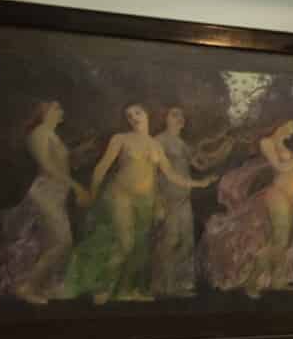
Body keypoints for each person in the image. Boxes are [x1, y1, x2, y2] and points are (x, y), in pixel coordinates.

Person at [64, 104, 216, 304]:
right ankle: (103, 287)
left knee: (140, 248)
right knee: (125, 244)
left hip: (146, 200)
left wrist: (199, 183)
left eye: (137, 112)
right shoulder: (121, 139)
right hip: (120, 195)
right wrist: (91, 193)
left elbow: (171, 175)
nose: (133, 117)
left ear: (147, 115)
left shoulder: (156, 145)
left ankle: (126, 290)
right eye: (129, 115)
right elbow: (101, 167)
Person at [199, 119, 293, 298]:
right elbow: (279, 166)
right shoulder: (266, 143)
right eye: (290, 126)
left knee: (284, 240)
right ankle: (252, 281)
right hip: (277, 195)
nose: (292, 130)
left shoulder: (287, 148)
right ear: (279, 125)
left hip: (290, 198)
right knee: (279, 239)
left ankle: (276, 279)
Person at [0, 100, 91, 304]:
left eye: (61, 107)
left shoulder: (53, 136)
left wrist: (80, 152)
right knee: (62, 241)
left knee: (52, 242)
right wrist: (77, 187)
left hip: (57, 196)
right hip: (44, 194)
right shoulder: (39, 134)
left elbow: (63, 164)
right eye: (56, 108)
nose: (61, 111)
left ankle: (41, 286)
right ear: (44, 111)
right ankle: (26, 286)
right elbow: (48, 168)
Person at [150, 106, 234, 298]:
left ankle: (181, 283)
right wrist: (158, 201)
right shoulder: (158, 141)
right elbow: (154, 174)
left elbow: (201, 162)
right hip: (166, 197)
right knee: (169, 240)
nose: (179, 118)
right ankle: (163, 284)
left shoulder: (182, 144)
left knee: (186, 240)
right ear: (165, 118)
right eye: (174, 114)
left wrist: (224, 148)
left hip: (183, 198)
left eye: (181, 116)